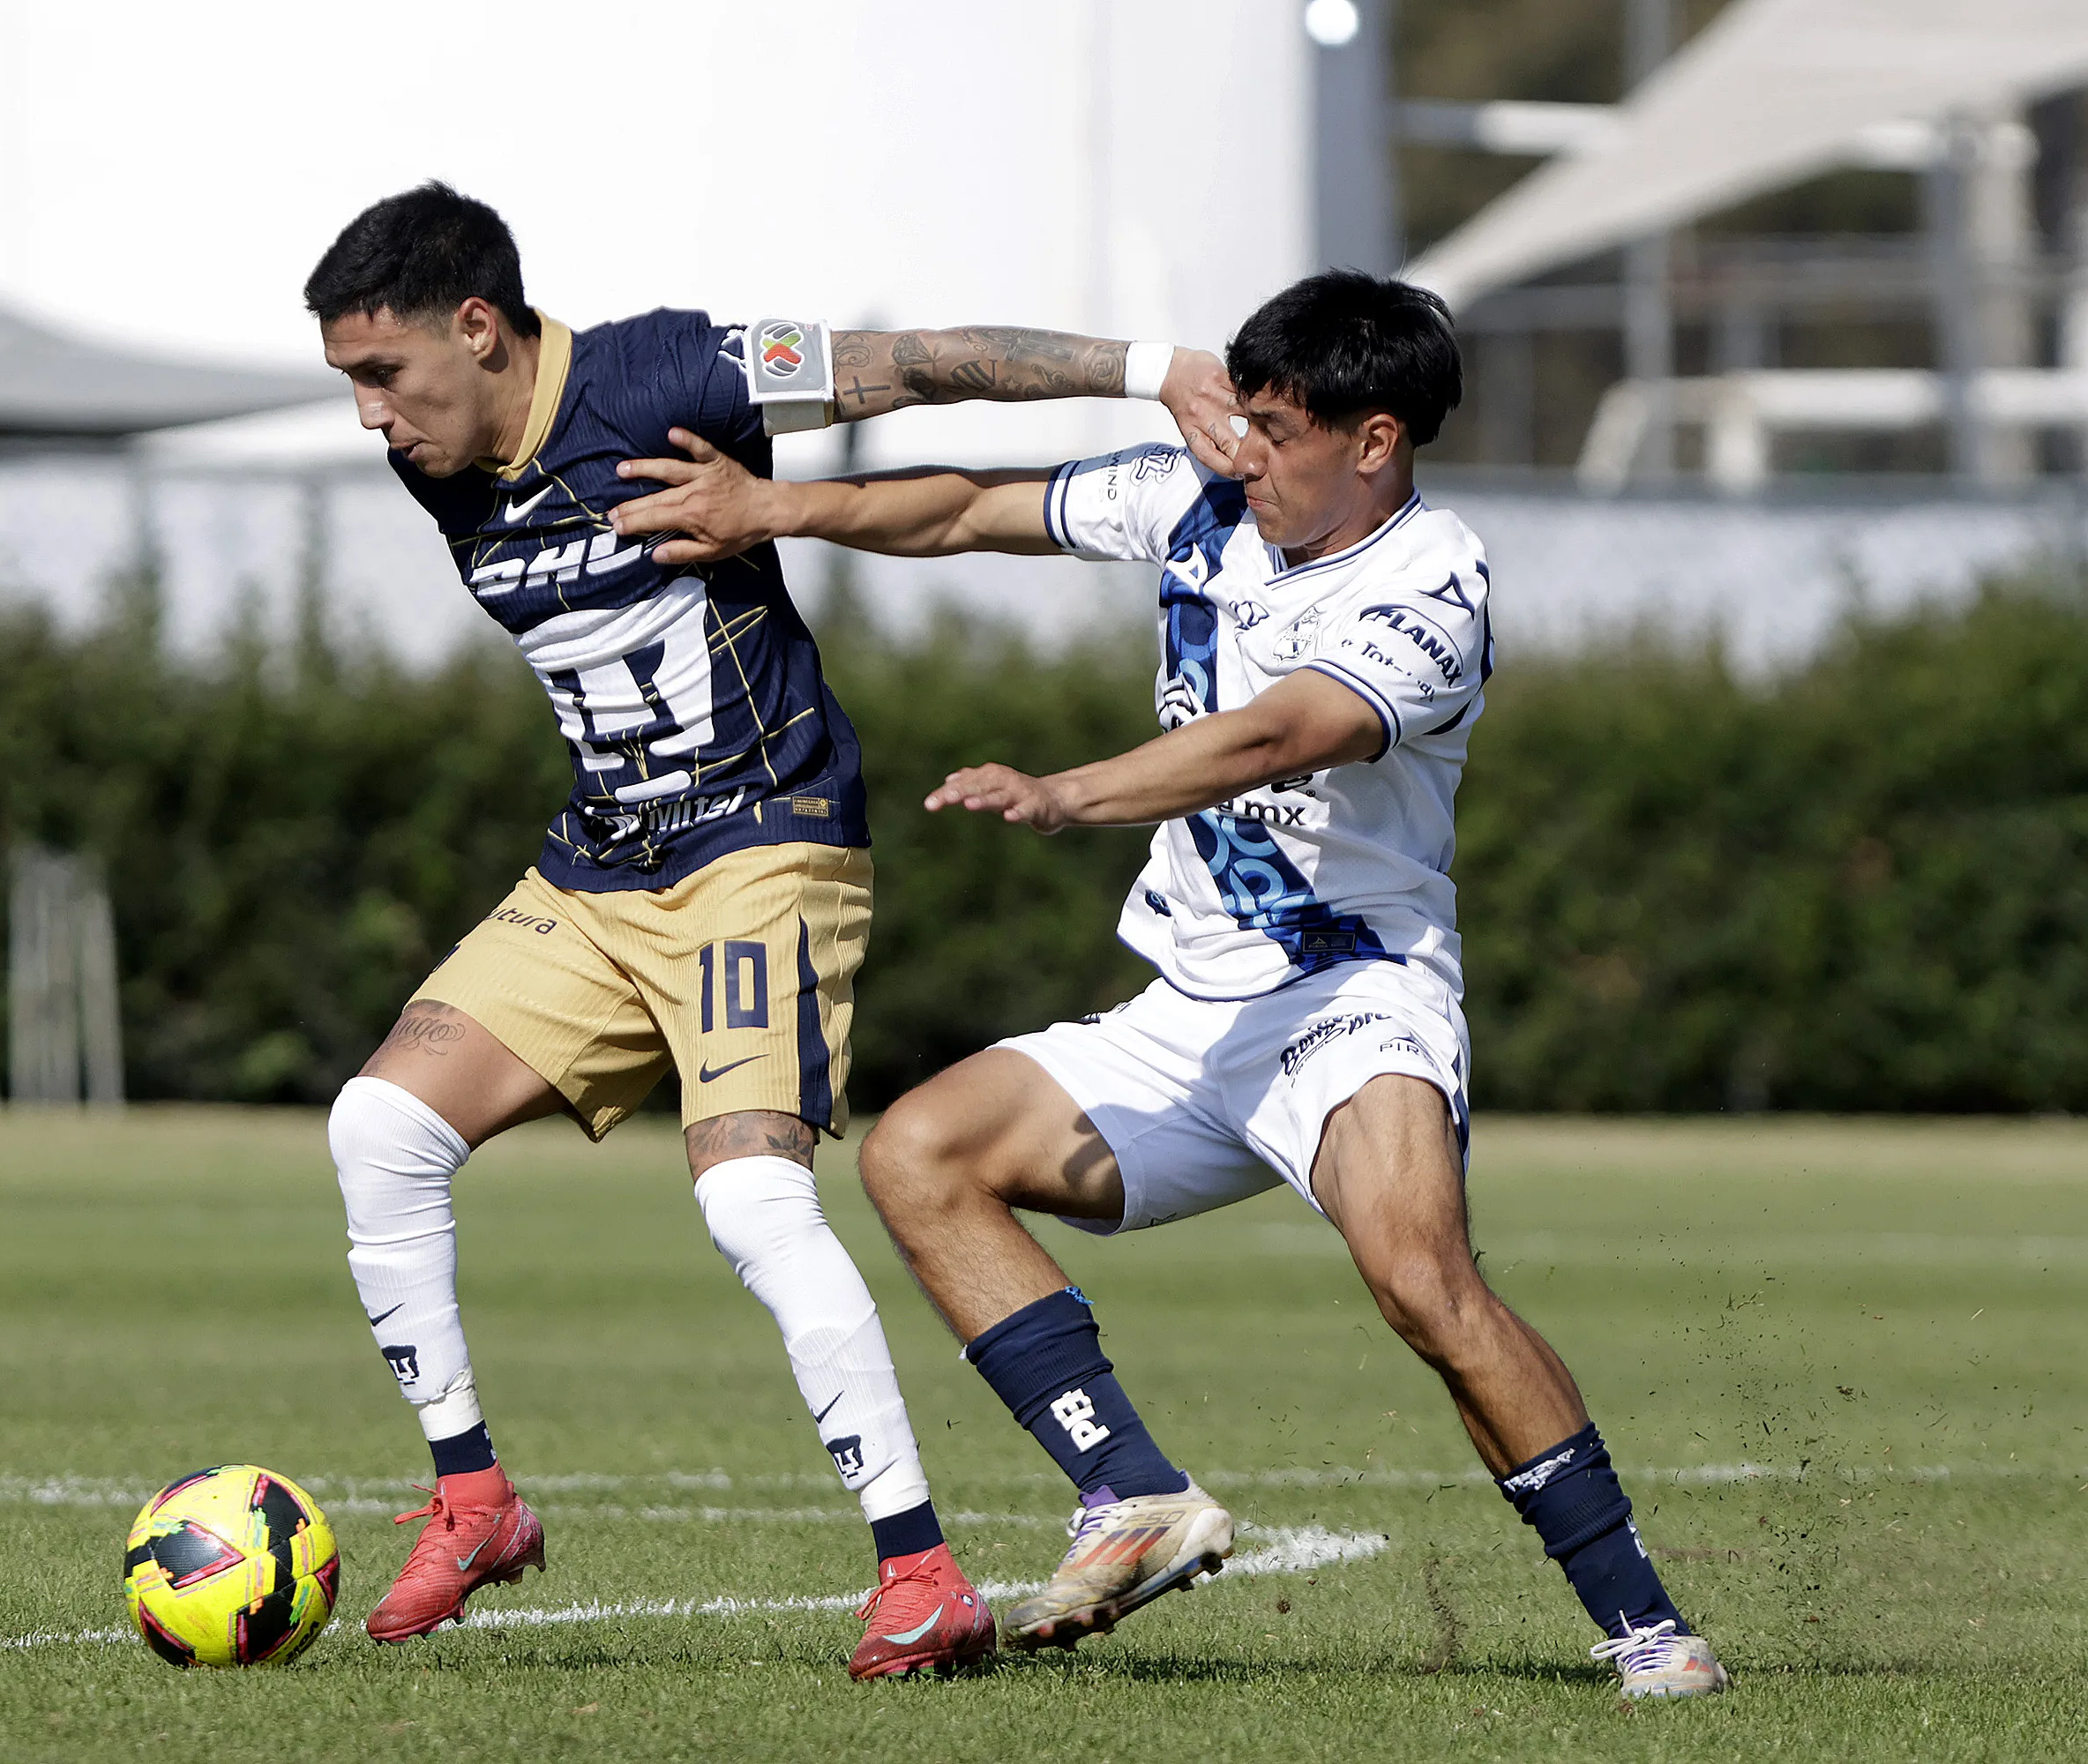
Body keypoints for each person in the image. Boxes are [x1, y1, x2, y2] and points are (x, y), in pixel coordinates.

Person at [607, 269, 1730, 1700]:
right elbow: (969, 511)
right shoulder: (1206, 497)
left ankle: (1647, 1630)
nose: (1242, 450)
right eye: (1241, 418)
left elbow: (1277, 736)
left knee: (1422, 1284)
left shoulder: (1430, 581)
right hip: (1187, 1016)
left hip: (1350, 997)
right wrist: (775, 508)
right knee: (919, 1152)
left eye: (1277, 430)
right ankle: (1132, 1489)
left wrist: (1070, 792)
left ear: (1375, 440)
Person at [303, 182, 1231, 1678]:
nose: (368, 415)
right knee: (377, 1129)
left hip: (763, 847)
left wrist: (1154, 370)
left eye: (381, 373)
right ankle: (474, 1503)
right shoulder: (441, 456)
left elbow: (912, 365)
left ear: (477, 328)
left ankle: (920, 1575)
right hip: (599, 870)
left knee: (750, 1200)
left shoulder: (668, 375)